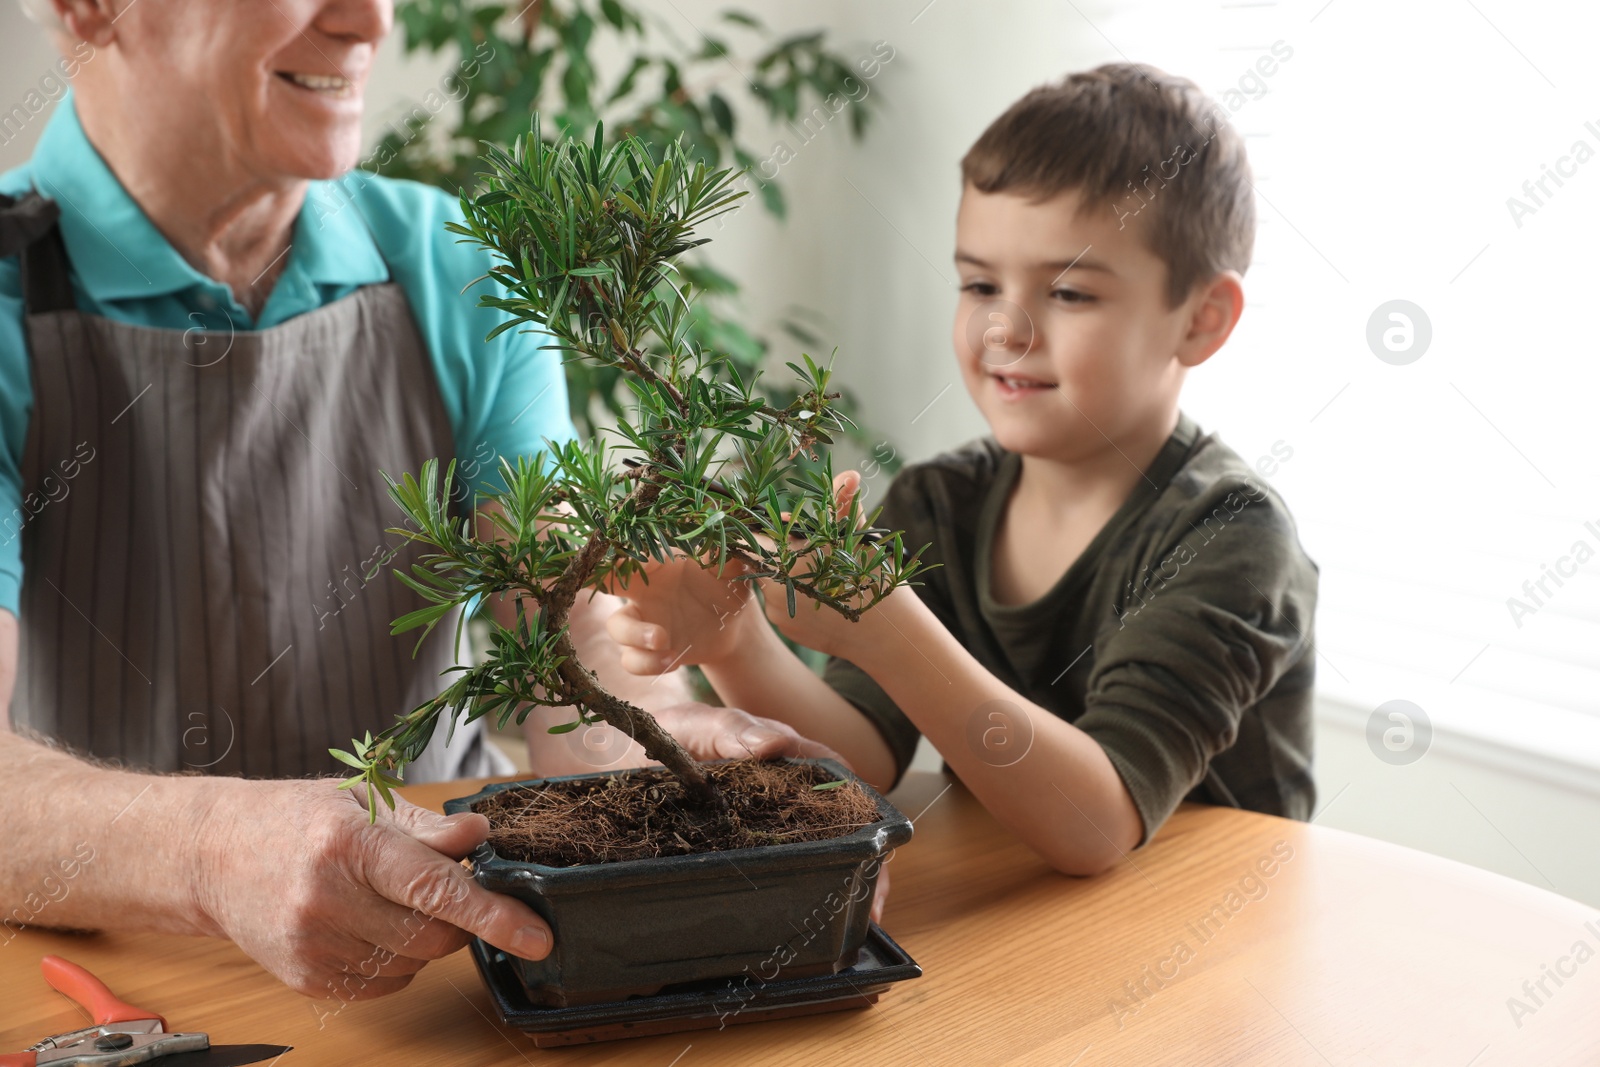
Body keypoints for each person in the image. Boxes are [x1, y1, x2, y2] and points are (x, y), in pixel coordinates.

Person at [0, 0, 840, 1001]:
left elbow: (573, 631)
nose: (371, 22)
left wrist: (657, 738)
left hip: (439, 970)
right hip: (115, 980)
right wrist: (214, 849)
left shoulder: (452, 263)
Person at [606, 63, 1320, 876]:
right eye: (979, 282)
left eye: (1071, 293)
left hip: (1212, 950)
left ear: (1201, 320)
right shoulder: (940, 503)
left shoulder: (1232, 536)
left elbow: (1099, 821)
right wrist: (738, 645)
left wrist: (893, 632)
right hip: (1026, 934)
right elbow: (862, 759)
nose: (1005, 328)